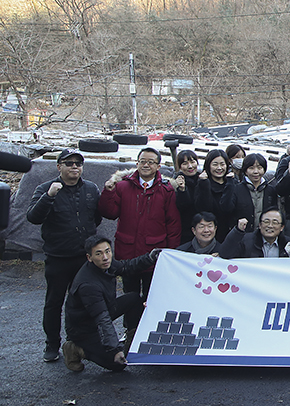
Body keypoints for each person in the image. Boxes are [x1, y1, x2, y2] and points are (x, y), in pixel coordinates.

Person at [27, 149, 101, 363]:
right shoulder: (45, 189)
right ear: (59, 166)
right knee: (54, 302)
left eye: (78, 163)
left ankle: (77, 342)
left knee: (82, 302)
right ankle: (52, 344)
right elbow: (33, 217)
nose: (74, 167)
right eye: (69, 163)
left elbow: (95, 218)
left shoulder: (90, 189)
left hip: (83, 258)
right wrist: (49, 196)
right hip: (58, 256)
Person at [98, 147, 180, 338]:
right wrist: (108, 192)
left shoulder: (166, 189)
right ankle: (131, 330)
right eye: (142, 161)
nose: (146, 165)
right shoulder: (122, 186)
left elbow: (173, 224)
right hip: (128, 252)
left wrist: (171, 253)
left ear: (158, 166)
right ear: (137, 163)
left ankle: (151, 330)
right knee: (130, 294)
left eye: (151, 162)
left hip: (155, 252)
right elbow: (109, 213)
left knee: (153, 295)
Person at [61, 236, 159, 372]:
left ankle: (132, 340)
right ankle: (76, 348)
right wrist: (115, 349)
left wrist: (150, 258)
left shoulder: (106, 264)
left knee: (134, 298)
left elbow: (127, 266)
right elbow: (102, 319)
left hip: (105, 308)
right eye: (99, 253)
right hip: (84, 328)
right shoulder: (88, 285)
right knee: (118, 364)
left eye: (107, 251)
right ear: (89, 257)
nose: (105, 257)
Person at [229, 153, 279, 231]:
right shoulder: (237, 189)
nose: (256, 172)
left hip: (264, 233)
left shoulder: (270, 190)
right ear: (245, 171)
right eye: (251, 168)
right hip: (242, 233)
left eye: (259, 168)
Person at [195, 149, 236, 242]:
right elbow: (204, 208)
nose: (219, 168)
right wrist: (204, 183)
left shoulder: (233, 183)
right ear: (208, 165)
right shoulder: (202, 183)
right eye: (215, 164)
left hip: (229, 233)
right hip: (209, 234)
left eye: (222, 164)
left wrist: (230, 183)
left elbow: (229, 208)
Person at [221, 208, 290, 259]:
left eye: (275, 222)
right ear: (259, 225)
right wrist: (237, 231)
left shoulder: (289, 243)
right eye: (266, 221)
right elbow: (225, 254)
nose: (270, 226)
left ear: (282, 227)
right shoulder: (246, 241)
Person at [173, 149, 202, 245]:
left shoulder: (203, 179)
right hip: (184, 229)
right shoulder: (175, 183)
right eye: (185, 163)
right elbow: (183, 206)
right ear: (180, 166)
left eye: (192, 162)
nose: (190, 166)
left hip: (203, 227)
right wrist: (182, 190)